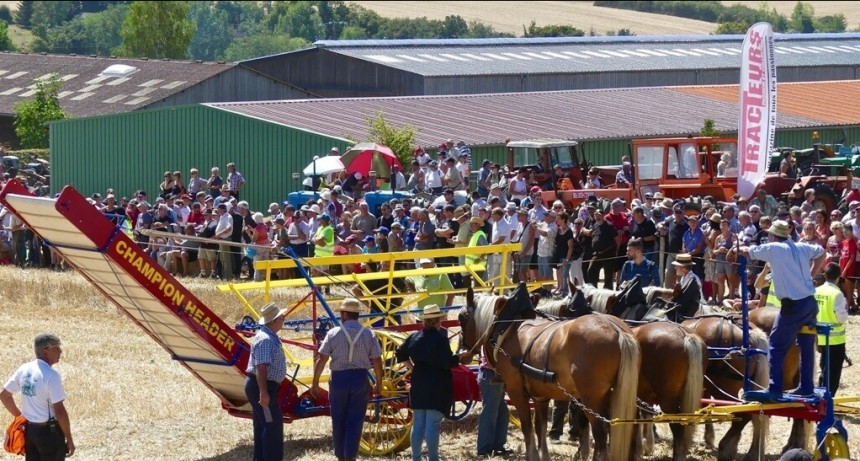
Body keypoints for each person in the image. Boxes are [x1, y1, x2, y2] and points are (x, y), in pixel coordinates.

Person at [738, 220, 826, 401]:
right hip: (809, 303)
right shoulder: (802, 246)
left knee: (776, 346)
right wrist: (811, 272)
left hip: (793, 306)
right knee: (806, 347)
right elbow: (822, 253)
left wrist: (737, 248)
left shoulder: (774, 248)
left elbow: (748, 251)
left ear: (772, 235)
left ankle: (775, 388)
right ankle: (807, 387)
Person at [395, 305, 472, 461]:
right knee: (433, 424)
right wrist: (459, 357)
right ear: (438, 321)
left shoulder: (414, 337)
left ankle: (415, 458)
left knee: (418, 424)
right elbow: (447, 362)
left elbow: (400, 353)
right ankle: (433, 458)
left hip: (419, 383)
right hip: (437, 384)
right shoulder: (440, 339)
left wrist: (413, 367)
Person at [311, 299, 383, 461]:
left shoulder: (333, 333)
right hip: (359, 378)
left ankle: (340, 455)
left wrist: (315, 382)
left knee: (338, 417)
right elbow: (377, 361)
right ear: (357, 315)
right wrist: (379, 383)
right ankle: (350, 455)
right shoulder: (368, 334)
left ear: (344, 314)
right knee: (356, 418)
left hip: (339, 379)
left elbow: (321, 359)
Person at [1, 333, 75, 460]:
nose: (60, 351)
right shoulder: (51, 375)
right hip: (50, 434)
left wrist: (20, 417)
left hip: (29, 432)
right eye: (56, 348)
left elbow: (4, 396)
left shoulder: (24, 369)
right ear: (45, 351)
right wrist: (69, 438)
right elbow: (60, 411)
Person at [244, 303, 288, 461]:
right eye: (282, 317)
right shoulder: (266, 339)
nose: (284, 320)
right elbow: (261, 367)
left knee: (263, 425)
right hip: (263, 386)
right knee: (272, 428)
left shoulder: (269, 336)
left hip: (264, 386)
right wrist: (263, 393)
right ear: (275, 320)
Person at [814, 263, 848, 396]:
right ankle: (827, 399)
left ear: (824, 275)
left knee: (824, 368)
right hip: (835, 339)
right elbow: (841, 318)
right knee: (833, 372)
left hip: (819, 336)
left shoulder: (816, 291)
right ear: (838, 277)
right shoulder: (837, 294)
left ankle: (820, 393)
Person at [668, 253, 703, 322]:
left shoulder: (693, 280)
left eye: (677, 266)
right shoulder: (684, 278)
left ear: (683, 268)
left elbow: (694, 300)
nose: (675, 268)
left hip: (696, 310)